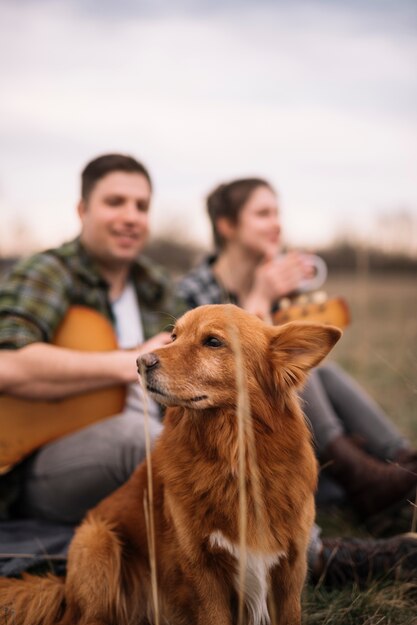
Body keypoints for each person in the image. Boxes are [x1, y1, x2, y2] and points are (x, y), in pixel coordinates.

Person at [177, 176, 417, 584]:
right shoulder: (191, 292)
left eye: (278, 213)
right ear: (227, 226)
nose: (276, 224)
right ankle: (362, 475)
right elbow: (248, 367)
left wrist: (286, 293)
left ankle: (401, 463)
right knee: (304, 369)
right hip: (229, 445)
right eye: (263, 213)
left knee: (316, 366)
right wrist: (258, 297)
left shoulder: (284, 280)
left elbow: (306, 345)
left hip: (278, 434)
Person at [0, 153, 186, 526]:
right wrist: (132, 360)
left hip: (158, 443)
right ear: (83, 209)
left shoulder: (156, 284)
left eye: (142, 206)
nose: (131, 216)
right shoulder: (49, 271)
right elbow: (8, 363)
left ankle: (296, 549)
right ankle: (312, 558)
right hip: (44, 467)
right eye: (115, 202)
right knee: (147, 441)